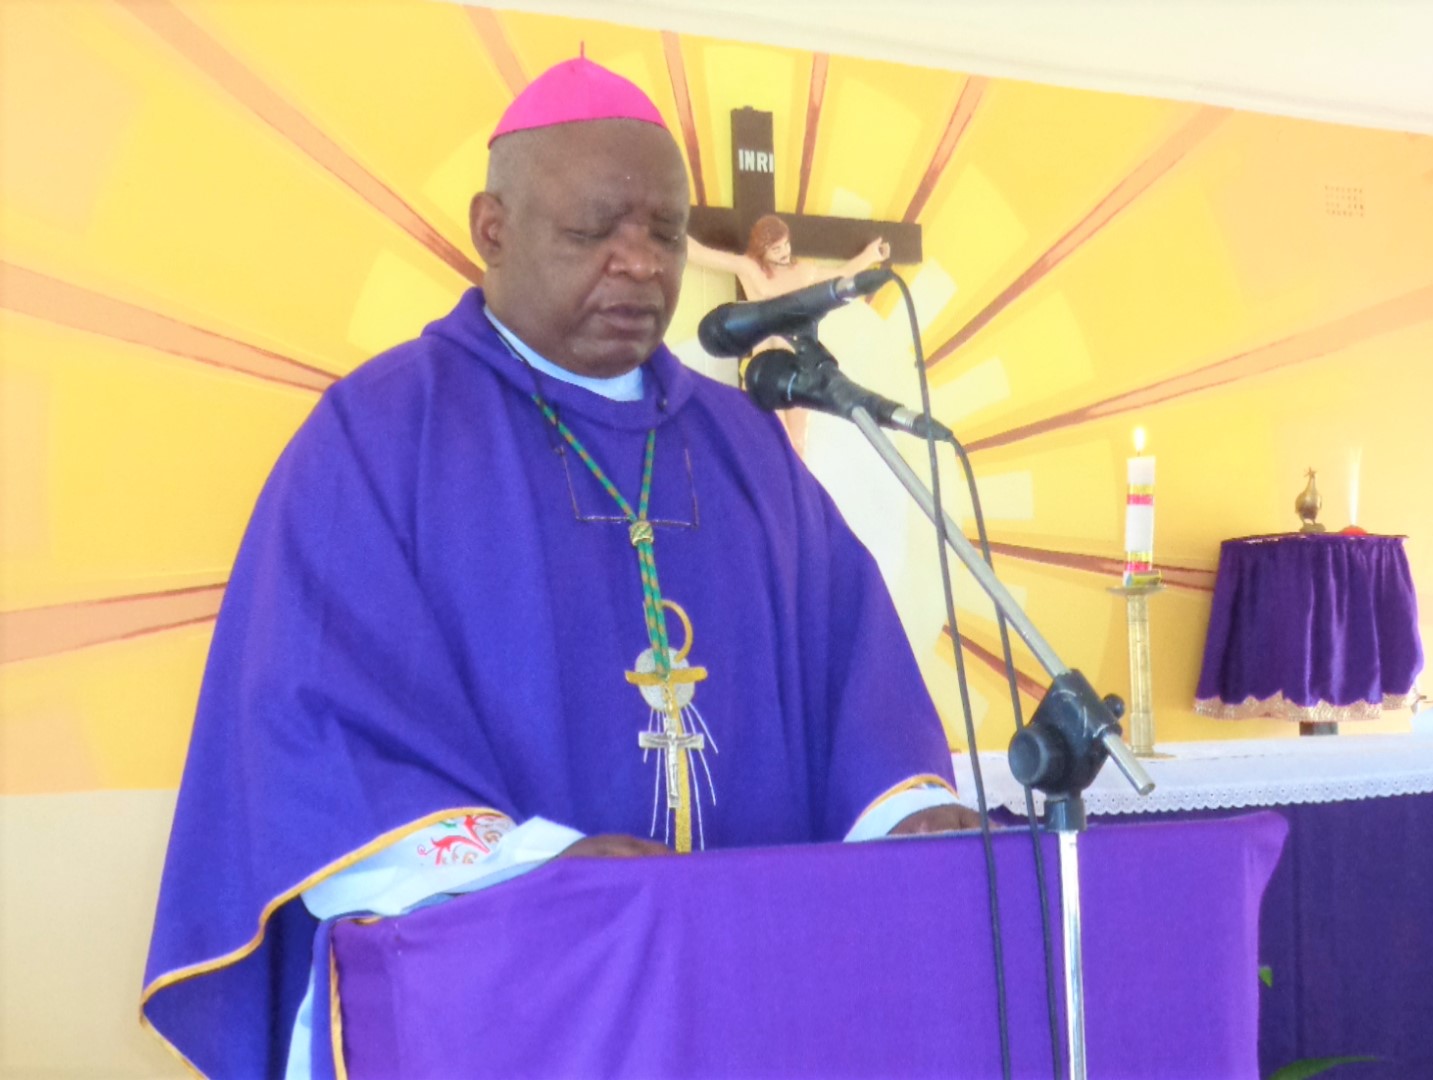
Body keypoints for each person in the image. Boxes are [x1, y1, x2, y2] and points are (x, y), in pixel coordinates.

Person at [141, 57, 969, 1079]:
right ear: (494, 228)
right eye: (593, 232)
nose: (639, 265)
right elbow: (317, 732)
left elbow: (855, 669)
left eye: (664, 233)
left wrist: (905, 809)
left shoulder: (743, 444)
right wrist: (541, 866)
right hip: (512, 998)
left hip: (748, 987)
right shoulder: (380, 435)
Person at [687, 214, 891, 453]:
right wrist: (670, 230)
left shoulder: (803, 270)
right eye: (776, 249)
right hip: (765, 368)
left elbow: (842, 276)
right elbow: (705, 255)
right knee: (772, 437)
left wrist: (870, 255)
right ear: (762, 250)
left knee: (797, 443)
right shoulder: (749, 268)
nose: (784, 252)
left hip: (797, 364)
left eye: (786, 244)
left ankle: (797, 486)